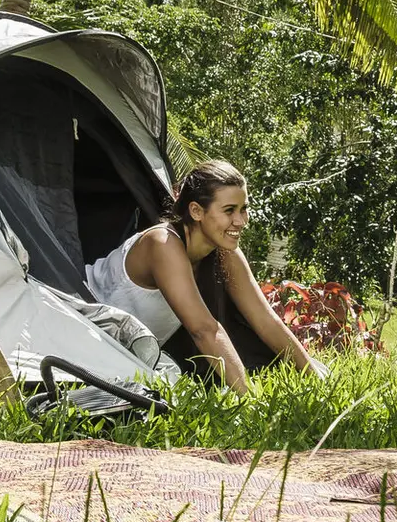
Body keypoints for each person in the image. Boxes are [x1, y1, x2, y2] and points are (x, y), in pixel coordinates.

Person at [84, 160, 326, 394]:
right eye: (229, 210)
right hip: (86, 336)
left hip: (129, 353)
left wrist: (314, 376)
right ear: (196, 211)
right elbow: (204, 330)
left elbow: (264, 318)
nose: (241, 221)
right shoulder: (163, 243)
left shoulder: (224, 249)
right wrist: (252, 399)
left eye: (244, 210)